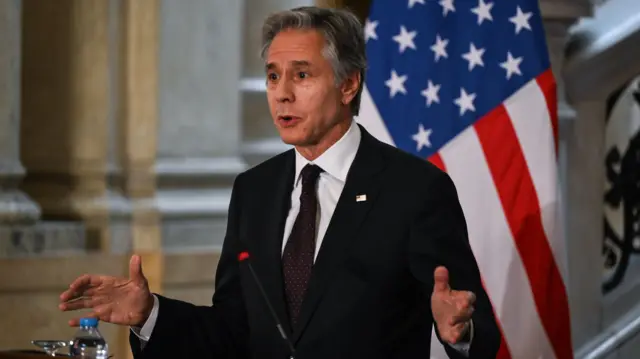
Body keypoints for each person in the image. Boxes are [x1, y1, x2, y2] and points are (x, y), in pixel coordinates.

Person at [59, 6, 501, 359]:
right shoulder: (254, 190)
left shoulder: (415, 189)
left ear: (348, 85)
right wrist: (150, 314)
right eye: (273, 76)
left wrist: (454, 332)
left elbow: (479, 335)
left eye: (302, 75)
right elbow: (234, 330)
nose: (282, 93)